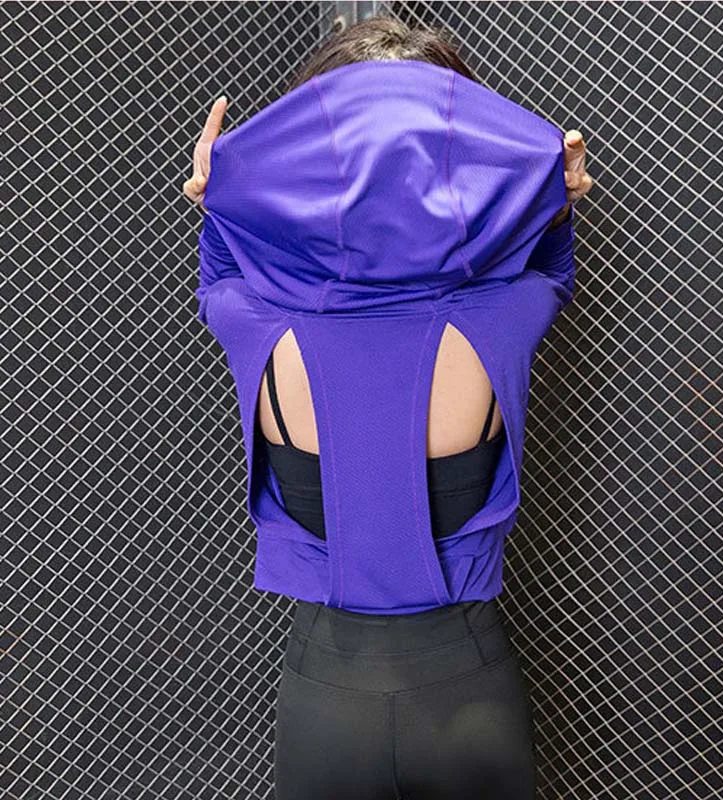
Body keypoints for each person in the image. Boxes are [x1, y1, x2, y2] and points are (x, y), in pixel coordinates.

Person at [184, 15, 592, 800]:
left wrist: (229, 198)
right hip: (470, 695)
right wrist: (548, 200)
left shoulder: (253, 323)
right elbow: (550, 269)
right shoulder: (505, 316)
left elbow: (222, 275)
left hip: (324, 702)